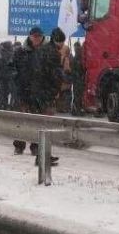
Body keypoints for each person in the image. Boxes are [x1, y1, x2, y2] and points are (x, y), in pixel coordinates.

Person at [11, 27, 60, 164]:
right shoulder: (20, 52)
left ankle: (37, 147)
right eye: (34, 36)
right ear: (30, 36)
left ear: (42, 37)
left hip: (43, 94)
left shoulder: (49, 52)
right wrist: (17, 83)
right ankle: (19, 145)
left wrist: (53, 91)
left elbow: (56, 73)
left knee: (41, 122)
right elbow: (13, 69)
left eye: (39, 36)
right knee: (22, 121)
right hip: (24, 92)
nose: (37, 39)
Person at [71, 41, 86, 116]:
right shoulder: (79, 57)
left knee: (78, 95)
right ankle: (77, 109)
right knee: (78, 95)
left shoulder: (77, 58)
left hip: (78, 79)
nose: (76, 49)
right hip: (79, 79)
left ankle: (76, 109)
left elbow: (74, 69)